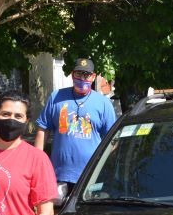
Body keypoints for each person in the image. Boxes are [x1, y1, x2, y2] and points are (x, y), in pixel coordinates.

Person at [35, 58, 116, 192]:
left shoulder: (103, 104)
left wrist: (106, 168)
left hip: (91, 176)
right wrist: (36, 161)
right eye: (79, 74)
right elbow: (43, 129)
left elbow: (112, 141)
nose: (82, 78)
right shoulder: (56, 97)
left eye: (86, 75)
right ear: (72, 74)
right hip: (59, 175)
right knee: (57, 212)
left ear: (93, 77)